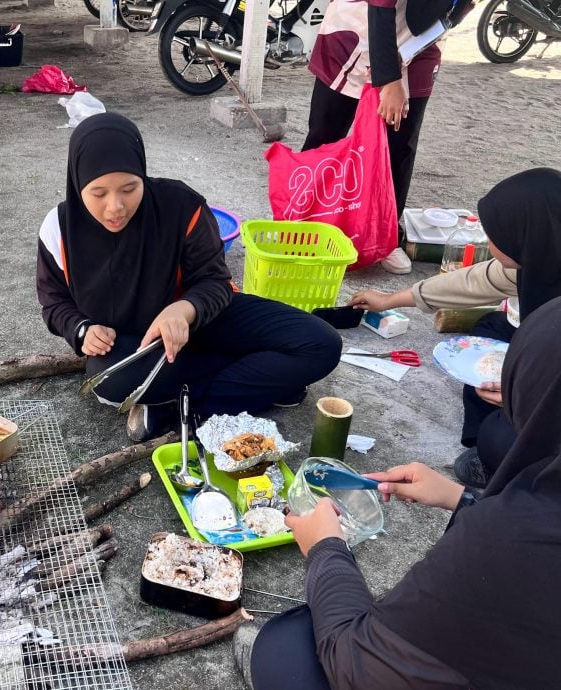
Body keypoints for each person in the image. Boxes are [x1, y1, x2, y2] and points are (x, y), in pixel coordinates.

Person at [233, 295, 561, 690]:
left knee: (288, 650)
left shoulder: (508, 536)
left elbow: (361, 665)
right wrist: (463, 501)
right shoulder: (534, 514)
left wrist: (325, 550)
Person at [36, 112, 342, 441]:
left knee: (322, 344)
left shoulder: (181, 206)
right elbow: (54, 302)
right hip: (137, 346)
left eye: (129, 188)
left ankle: (178, 410)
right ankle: (261, 380)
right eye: (99, 194)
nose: (116, 207)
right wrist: (81, 330)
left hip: (203, 319)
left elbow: (216, 280)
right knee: (111, 385)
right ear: (77, 181)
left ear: (142, 174)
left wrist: (183, 309)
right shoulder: (58, 229)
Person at [350, 167, 561, 487]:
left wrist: (523, 396)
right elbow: (471, 283)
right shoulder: (540, 254)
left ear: (525, 235)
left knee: (498, 441)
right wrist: (390, 300)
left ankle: (501, 458)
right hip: (542, 357)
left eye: (497, 234)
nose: (489, 241)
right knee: (487, 332)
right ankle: (489, 440)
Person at [303, 0, 472, 275]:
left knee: (401, 144)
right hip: (357, 32)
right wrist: (389, 80)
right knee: (326, 133)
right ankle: (304, 221)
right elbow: (379, 9)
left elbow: (458, 8)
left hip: (421, 42)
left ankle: (386, 235)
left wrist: (407, 52)